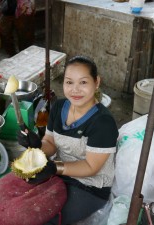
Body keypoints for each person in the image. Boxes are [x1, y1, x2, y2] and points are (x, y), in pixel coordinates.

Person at [17, 55, 119, 224]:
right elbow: (50, 143)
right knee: (17, 201)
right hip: (59, 175)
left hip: (89, 186)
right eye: (69, 82)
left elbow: (90, 167)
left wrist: (53, 168)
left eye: (83, 82)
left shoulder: (103, 122)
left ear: (97, 82)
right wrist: (37, 146)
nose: (75, 89)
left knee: (42, 218)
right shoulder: (58, 107)